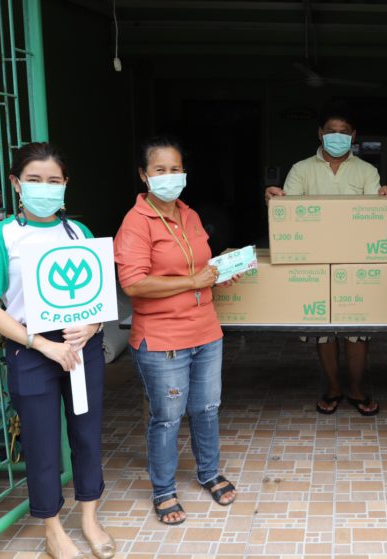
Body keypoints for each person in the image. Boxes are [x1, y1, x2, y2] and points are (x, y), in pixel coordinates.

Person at [0, 143, 114, 559]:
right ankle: (52, 529)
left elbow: (101, 297)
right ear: (16, 183)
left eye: (53, 180)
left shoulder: (79, 233)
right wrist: (41, 344)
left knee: (87, 433)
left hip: (81, 345)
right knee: (42, 441)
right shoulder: (2, 237)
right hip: (31, 348)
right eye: (34, 179)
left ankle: (89, 517)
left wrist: (92, 326)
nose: (44, 188)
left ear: (65, 185)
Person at [114, 137, 239, 525]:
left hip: (206, 331)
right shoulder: (136, 223)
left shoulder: (191, 215)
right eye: (160, 170)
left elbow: (199, 267)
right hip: (162, 338)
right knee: (167, 418)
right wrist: (193, 281)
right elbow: (133, 283)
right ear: (144, 175)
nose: (169, 176)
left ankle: (209, 473)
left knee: (207, 408)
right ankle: (164, 490)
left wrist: (219, 274)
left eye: (175, 169)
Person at [265, 102, 387, 416]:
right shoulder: (301, 169)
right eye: (331, 131)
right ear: (320, 134)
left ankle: (357, 389)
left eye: (343, 132)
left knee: (356, 328)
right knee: (323, 328)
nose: (337, 137)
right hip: (314, 257)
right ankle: (334, 388)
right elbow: (288, 211)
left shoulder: (366, 171)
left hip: (357, 258)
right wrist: (274, 199)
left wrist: (386, 199)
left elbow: (375, 214)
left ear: (353, 135)